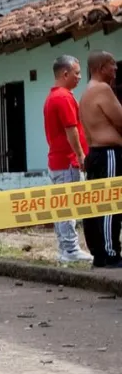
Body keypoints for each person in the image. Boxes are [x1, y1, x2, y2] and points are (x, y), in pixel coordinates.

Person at [43, 55, 92, 263]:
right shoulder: (63, 97)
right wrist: (80, 155)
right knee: (68, 206)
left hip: (59, 161)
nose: (80, 77)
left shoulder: (53, 96)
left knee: (62, 205)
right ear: (65, 74)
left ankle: (65, 248)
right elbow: (71, 130)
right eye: (77, 73)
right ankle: (70, 249)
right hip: (66, 161)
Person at [78, 51, 122, 268]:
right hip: (108, 154)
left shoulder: (86, 92)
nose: (115, 68)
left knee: (95, 204)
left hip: (95, 154)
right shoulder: (102, 89)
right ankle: (110, 253)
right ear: (101, 67)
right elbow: (120, 120)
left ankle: (99, 253)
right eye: (112, 64)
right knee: (111, 203)